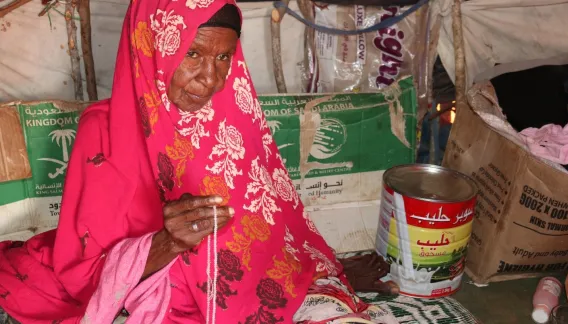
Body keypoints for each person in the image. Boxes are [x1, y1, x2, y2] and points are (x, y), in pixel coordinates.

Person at [0, 0, 398, 323]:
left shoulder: (232, 123)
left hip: (221, 282)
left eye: (224, 57)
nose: (210, 78)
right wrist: (166, 243)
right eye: (192, 53)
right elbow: (84, 272)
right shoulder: (103, 132)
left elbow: (268, 232)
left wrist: (320, 275)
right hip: (154, 282)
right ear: (153, 45)